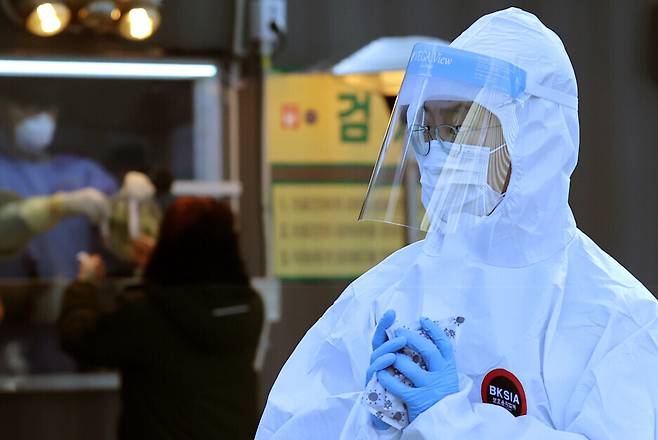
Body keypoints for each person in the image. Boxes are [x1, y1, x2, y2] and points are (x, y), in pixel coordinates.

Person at [256, 8, 658, 439]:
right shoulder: (384, 294)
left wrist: (451, 420)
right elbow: (287, 427)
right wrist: (369, 419)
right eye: (428, 128)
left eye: (461, 127)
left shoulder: (616, 318)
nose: (439, 152)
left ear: (536, 136)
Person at [57, 197, 264, 439]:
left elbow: (79, 337)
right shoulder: (249, 307)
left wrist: (84, 285)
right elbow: (199, 289)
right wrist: (161, 260)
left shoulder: (144, 314)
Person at [0, 101, 118, 279]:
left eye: (46, 108)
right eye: (26, 106)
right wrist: (56, 207)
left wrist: (131, 198)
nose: (39, 117)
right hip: (11, 296)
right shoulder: (4, 171)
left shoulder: (82, 170)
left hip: (74, 293)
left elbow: (121, 230)